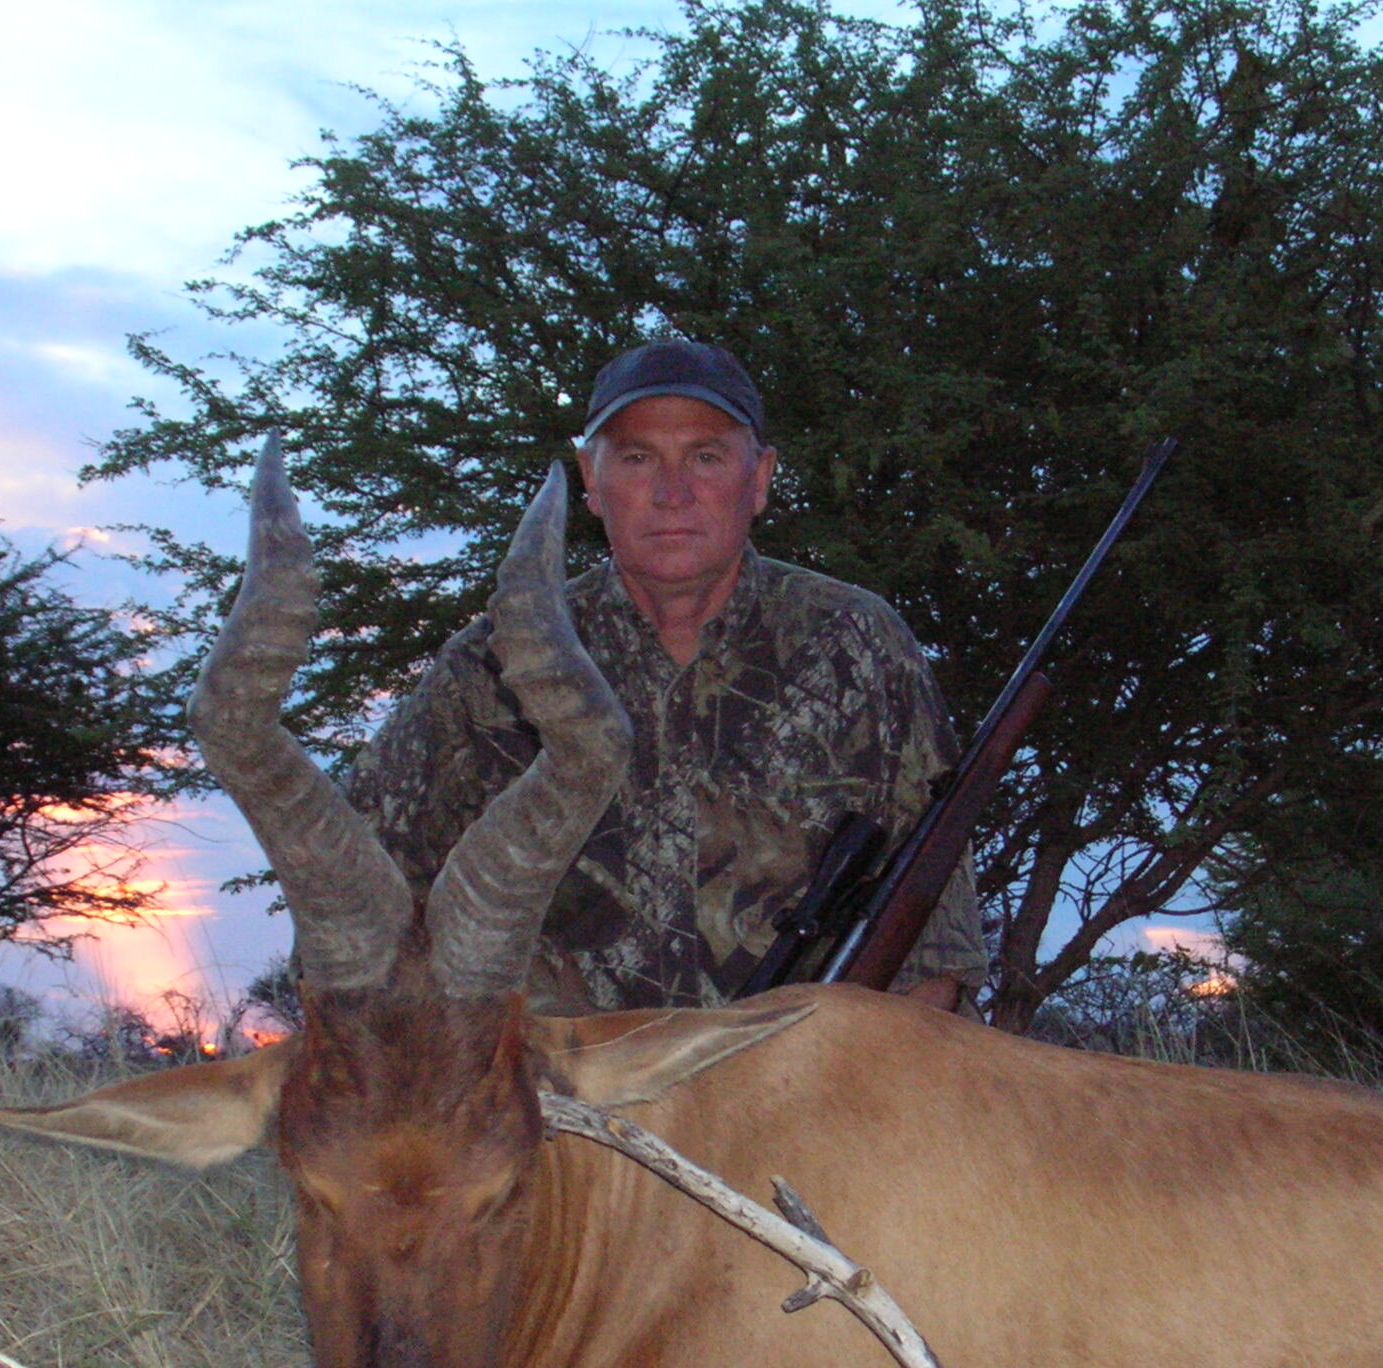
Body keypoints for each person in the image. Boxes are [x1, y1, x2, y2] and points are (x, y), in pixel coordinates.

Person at [346, 339, 988, 1013]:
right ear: (590, 480)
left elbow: (935, 947)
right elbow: (362, 902)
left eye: (706, 457)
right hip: (557, 1099)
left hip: (802, 1093)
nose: (673, 492)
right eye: (636, 457)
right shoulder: (489, 665)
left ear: (761, 477)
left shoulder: (858, 644)